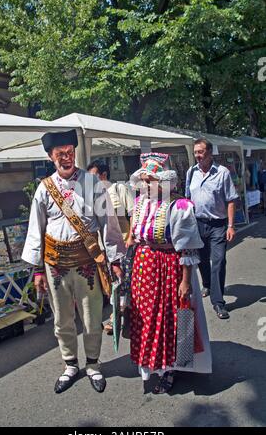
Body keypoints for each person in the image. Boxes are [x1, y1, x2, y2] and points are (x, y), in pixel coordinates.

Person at [22, 130, 125, 394]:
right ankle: (70, 364)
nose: (66, 158)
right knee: (62, 320)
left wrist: (115, 261)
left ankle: (92, 364)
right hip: (54, 265)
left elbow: (109, 226)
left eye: (70, 153)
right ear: (50, 157)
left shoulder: (92, 184)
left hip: (86, 263)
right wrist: (37, 270)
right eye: (60, 154)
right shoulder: (44, 189)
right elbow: (36, 229)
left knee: (91, 318)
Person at [127, 152, 212, 393]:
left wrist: (186, 281)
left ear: (164, 181)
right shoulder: (140, 203)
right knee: (146, 318)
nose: (146, 184)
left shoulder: (179, 206)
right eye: (144, 179)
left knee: (171, 318)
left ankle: (173, 367)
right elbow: (134, 236)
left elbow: (186, 247)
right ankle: (153, 364)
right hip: (144, 268)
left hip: (169, 267)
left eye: (151, 180)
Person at [185, 138, 239, 320]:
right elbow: (186, 198)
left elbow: (231, 199)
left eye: (201, 152)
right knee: (201, 258)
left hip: (218, 224)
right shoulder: (191, 172)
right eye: (195, 153)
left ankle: (218, 302)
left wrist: (231, 226)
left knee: (219, 261)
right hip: (197, 223)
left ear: (210, 153)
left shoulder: (222, 173)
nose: (198, 156)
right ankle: (207, 283)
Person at [87, 160, 134, 334]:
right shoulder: (94, 197)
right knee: (112, 285)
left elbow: (133, 213)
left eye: (93, 177)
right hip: (103, 251)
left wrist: (131, 237)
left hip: (124, 246)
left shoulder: (119, 189)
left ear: (104, 175)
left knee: (125, 282)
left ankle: (125, 318)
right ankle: (117, 317)